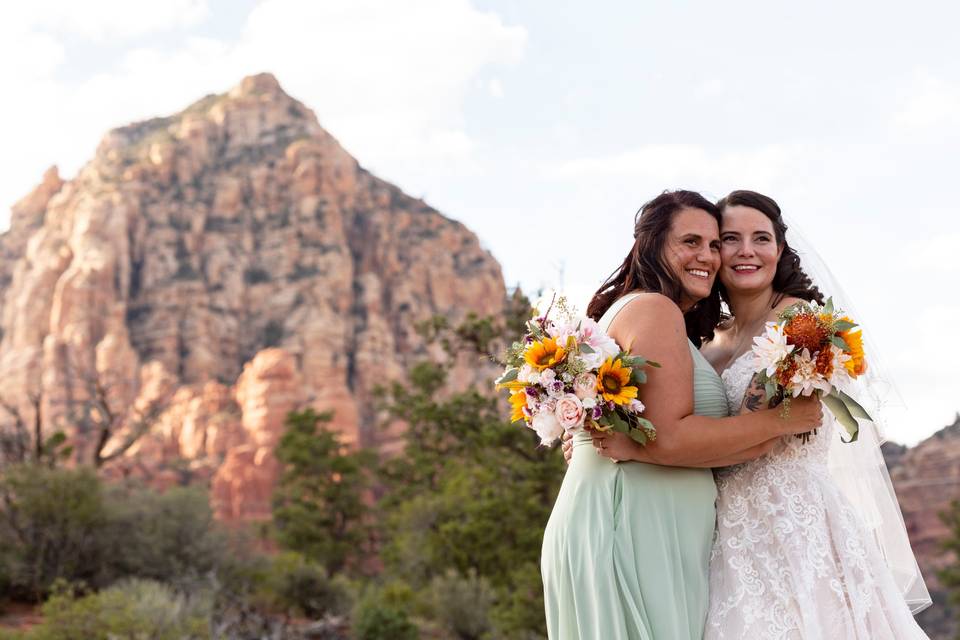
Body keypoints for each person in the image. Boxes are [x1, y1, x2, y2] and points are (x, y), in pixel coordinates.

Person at [541, 190, 822, 640]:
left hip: (650, 522)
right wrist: (783, 421)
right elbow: (669, 438)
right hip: (633, 524)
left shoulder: (669, 320)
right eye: (691, 242)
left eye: (714, 245)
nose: (708, 256)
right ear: (654, 245)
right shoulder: (655, 308)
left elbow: (651, 427)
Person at [700, 190, 930, 639]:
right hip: (721, 528)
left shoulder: (804, 325)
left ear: (780, 250)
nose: (747, 250)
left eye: (761, 238)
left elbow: (749, 441)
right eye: (731, 238)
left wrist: (650, 449)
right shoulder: (708, 341)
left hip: (793, 525)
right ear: (715, 250)